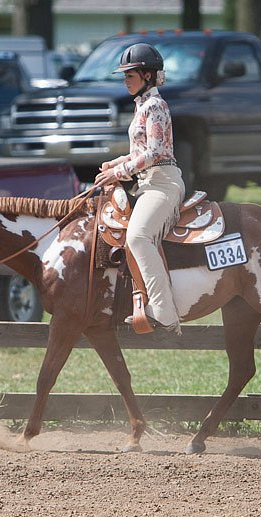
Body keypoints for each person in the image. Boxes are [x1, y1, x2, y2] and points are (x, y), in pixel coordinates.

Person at [94, 43, 184, 334]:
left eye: (129, 74)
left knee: (138, 236)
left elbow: (156, 152)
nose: (125, 80)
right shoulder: (142, 106)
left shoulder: (155, 106)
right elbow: (141, 151)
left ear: (147, 75)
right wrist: (115, 163)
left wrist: (119, 172)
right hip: (146, 182)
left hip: (162, 183)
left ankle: (163, 312)